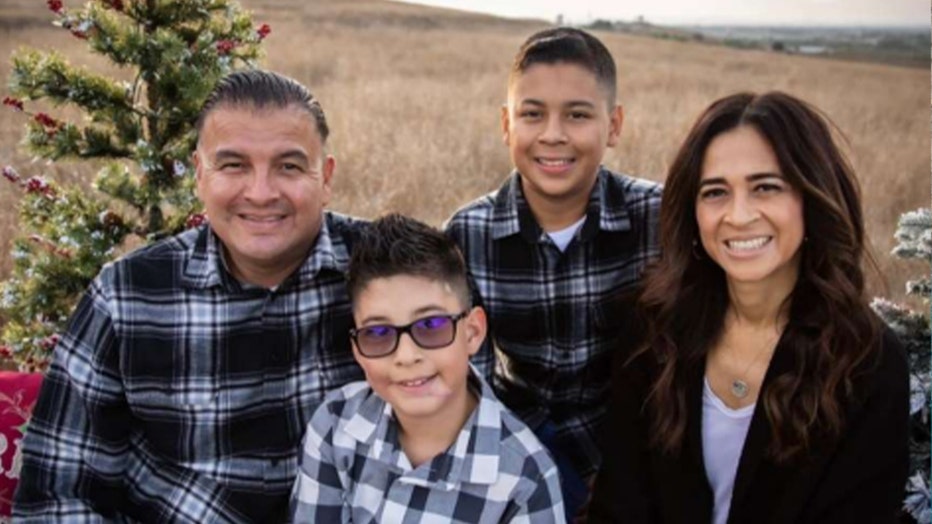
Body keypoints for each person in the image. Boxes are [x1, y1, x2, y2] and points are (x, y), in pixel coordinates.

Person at [14, 69, 367, 522]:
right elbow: (55, 499)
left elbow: (454, 447)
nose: (260, 193)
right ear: (199, 174)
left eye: (290, 166)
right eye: (233, 165)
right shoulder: (126, 297)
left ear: (326, 176)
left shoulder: (387, 275)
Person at [589, 91, 910, 523]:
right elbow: (619, 506)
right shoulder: (653, 330)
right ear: (693, 210)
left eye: (766, 187)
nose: (738, 216)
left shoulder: (866, 360)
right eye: (715, 192)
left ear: (811, 198)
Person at [444, 27, 662, 517]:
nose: (553, 135)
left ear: (614, 124)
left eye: (578, 115)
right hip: (521, 439)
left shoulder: (656, 218)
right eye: (532, 113)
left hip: (634, 439)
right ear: (507, 124)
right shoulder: (469, 233)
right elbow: (467, 384)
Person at [291, 214, 564, 523]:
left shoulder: (525, 479)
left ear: (472, 332)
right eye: (378, 334)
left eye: (431, 325)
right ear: (357, 350)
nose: (406, 356)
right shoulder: (334, 425)